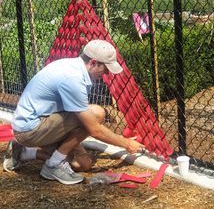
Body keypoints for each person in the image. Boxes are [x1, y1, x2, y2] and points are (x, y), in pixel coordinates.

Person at [3, 39, 144, 185]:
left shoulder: (73, 66)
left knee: (84, 164)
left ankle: (22, 152)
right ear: (93, 62)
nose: (107, 73)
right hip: (31, 130)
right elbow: (94, 129)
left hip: (42, 122)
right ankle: (53, 165)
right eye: (106, 68)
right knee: (97, 114)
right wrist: (126, 143)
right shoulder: (73, 79)